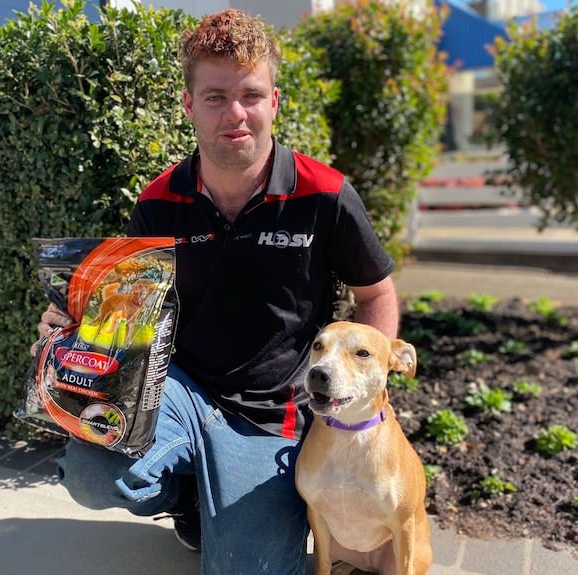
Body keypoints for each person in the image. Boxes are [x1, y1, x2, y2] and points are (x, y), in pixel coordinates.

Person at [32, 9, 400, 575]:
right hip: (174, 391)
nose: (236, 113)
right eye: (215, 96)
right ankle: (189, 498)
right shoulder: (159, 201)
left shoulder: (326, 195)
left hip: (273, 415)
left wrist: (364, 384)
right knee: (92, 474)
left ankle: (228, 500)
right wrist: (66, 323)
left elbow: (376, 293)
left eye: (251, 94)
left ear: (274, 101)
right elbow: (124, 301)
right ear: (188, 105)